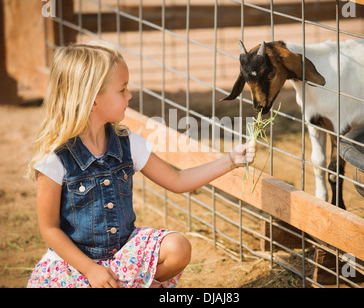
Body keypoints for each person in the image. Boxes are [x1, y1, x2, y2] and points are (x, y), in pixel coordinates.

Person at [26, 43, 256, 288]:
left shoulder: (128, 144)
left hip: (124, 255)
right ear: (93, 100)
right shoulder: (55, 159)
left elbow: (177, 181)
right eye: (122, 89)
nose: (129, 95)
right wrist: (91, 270)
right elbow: (49, 228)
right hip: (76, 264)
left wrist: (230, 161)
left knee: (177, 247)